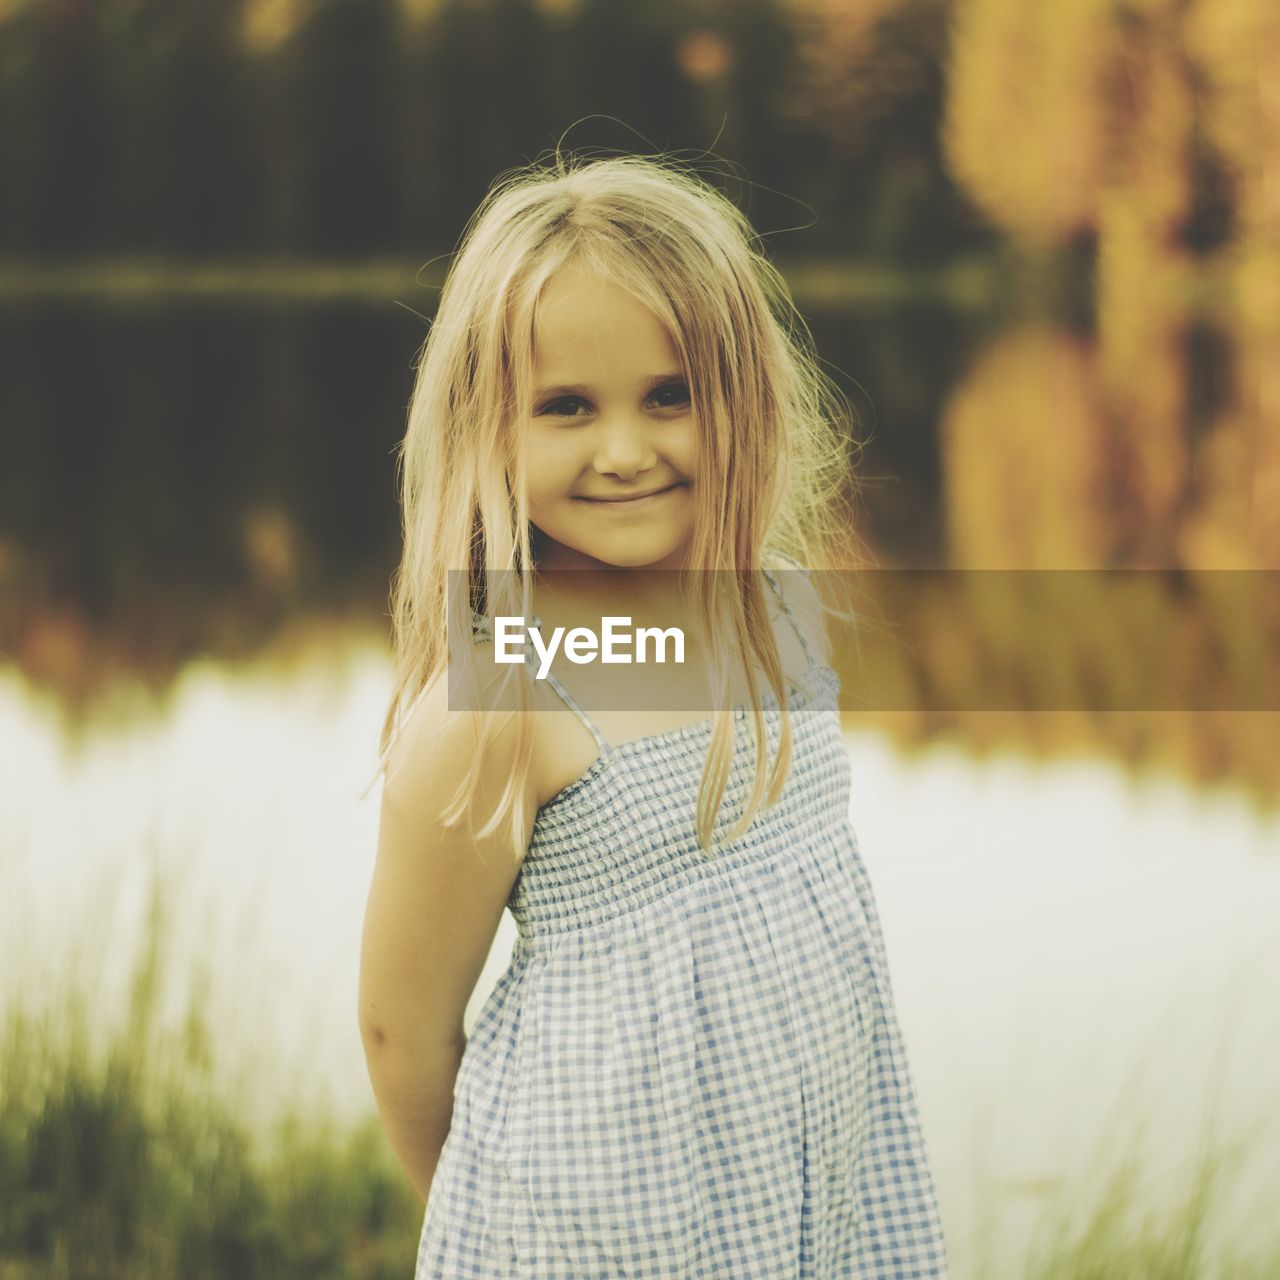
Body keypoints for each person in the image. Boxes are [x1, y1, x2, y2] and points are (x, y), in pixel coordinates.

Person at [358, 151, 950, 1278]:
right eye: (567, 407)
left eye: (668, 396)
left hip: (812, 1193)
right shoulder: (503, 699)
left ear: (742, 394)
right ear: (488, 425)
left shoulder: (774, 607)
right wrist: (501, 1213)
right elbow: (400, 1027)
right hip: (595, 1232)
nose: (625, 452)